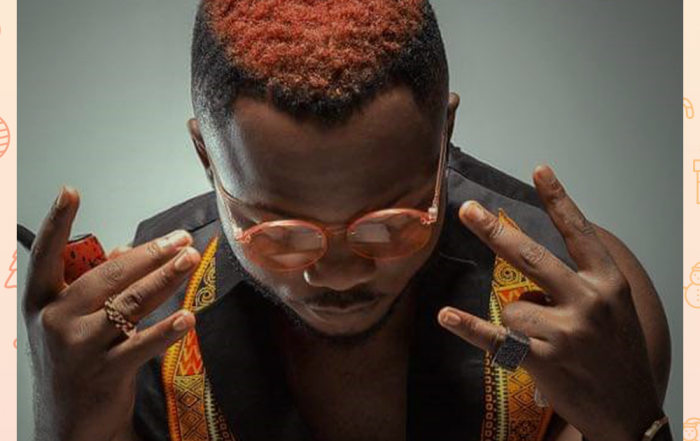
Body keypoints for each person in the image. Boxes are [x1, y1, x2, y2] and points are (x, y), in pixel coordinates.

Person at [21, 0, 673, 440]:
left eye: (388, 223)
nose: (334, 274)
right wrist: (63, 420)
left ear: (443, 136)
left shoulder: (586, 312)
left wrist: (632, 425)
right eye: (279, 233)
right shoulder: (130, 343)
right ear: (206, 156)